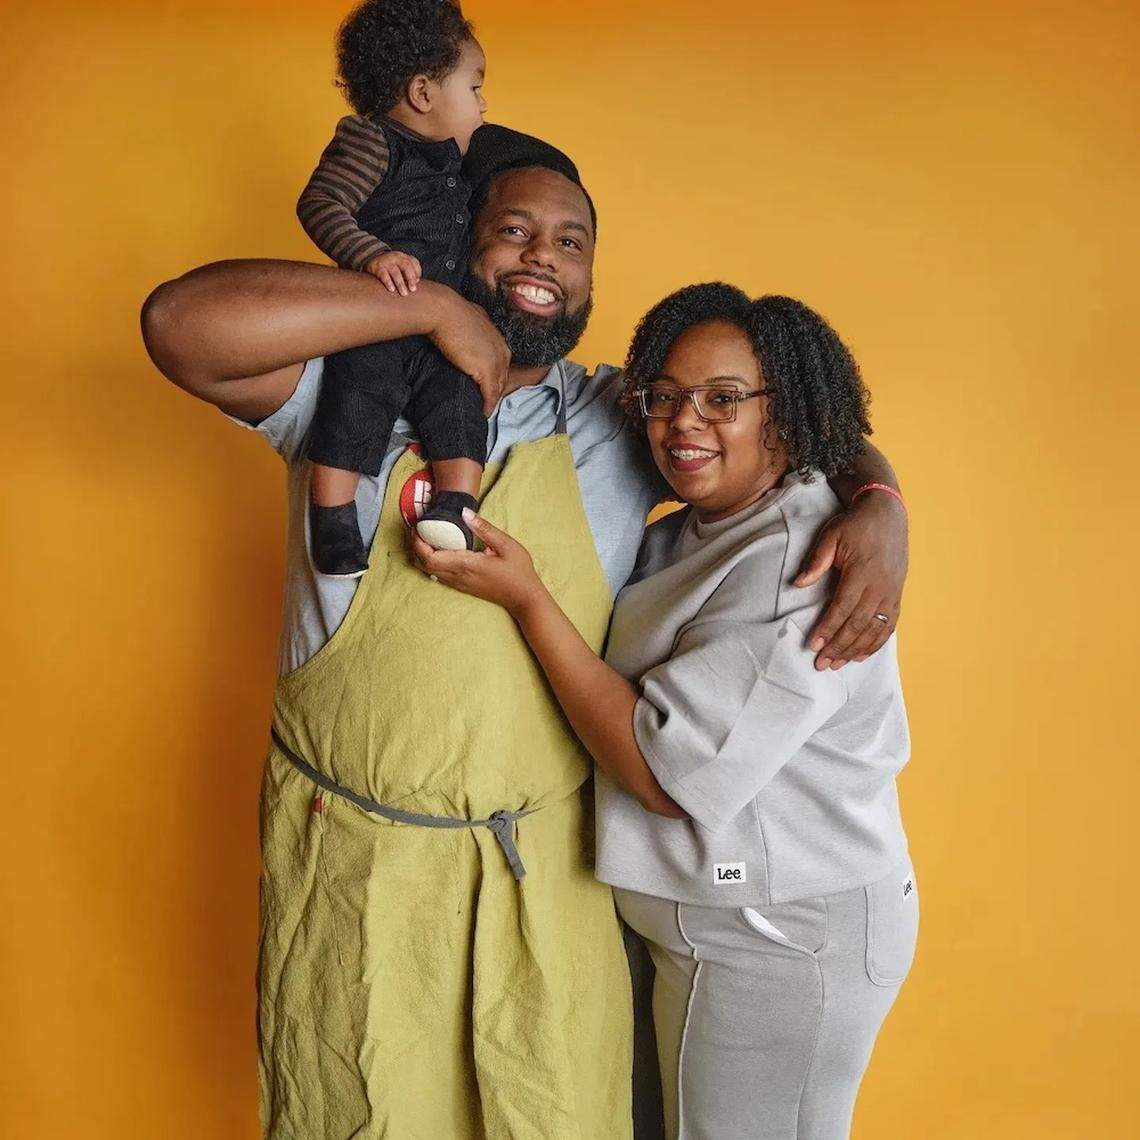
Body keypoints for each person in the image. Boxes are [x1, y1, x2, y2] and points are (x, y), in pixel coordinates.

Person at [140, 131, 909, 1138]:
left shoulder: (616, 418)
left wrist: (882, 502)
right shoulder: (343, 391)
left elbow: (778, 422)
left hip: (546, 879)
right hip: (360, 870)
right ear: (462, 240)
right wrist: (428, 307)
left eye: (571, 241)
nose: (544, 255)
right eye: (513, 231)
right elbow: (180, 326)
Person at [417, 282, 917, 1140]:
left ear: (787, 414)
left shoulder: (796, 569)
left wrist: (528, 598)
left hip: (778, 937)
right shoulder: (704, 521)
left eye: (724, 399)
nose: (685, 421)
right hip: (706, 926)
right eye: (667, 396)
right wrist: (887, 497)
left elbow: (663, 775)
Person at [299, 0, 491, 572]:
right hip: (378, 320)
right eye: (475, 87)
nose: (484, 103)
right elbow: (320, 202)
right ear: (423, 93)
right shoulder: (373, 142)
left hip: (440, 337)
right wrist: (371, 254)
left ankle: (457, 508)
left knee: (461, 403)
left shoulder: (458, 164)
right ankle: (333, 523)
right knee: (354, 402)